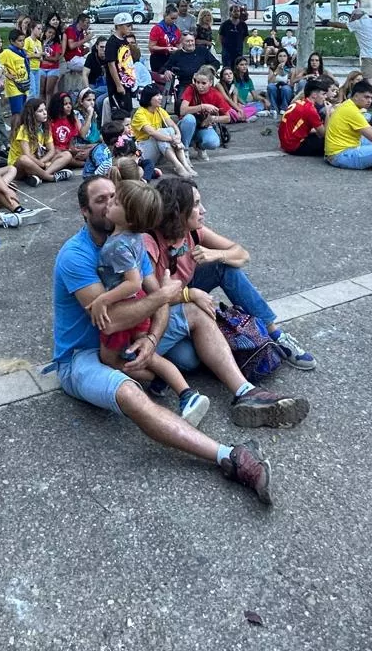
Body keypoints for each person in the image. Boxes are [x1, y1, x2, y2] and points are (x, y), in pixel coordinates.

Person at [50, 176, 307, 505]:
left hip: (134, 336)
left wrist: (154, 336)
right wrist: (168, 297)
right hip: (84, 356)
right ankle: (230, 456)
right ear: (84, 211)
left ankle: (246, 393)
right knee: (130, 392)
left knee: (194, 317)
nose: (110, 203)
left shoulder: (130, 242)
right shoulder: (76, 256)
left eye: (114, 197)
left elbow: (158, 297)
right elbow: (111, 321)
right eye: (101, 200)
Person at [151, 176, 316, 368]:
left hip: (185, 290)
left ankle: (275, 334)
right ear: (178, 212)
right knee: (191, 362)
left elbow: (242, 254)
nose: (203, 210)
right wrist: (190, 295)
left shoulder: (195, 232)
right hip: (161, 309)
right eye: (196, 205)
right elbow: (152, 298)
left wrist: (216, 254)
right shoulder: (151, 242)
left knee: (225, 266)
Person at [87, 178, 211, 421]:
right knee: (147, 354)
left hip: (126, 306)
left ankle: (161, 382)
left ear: (130, 218)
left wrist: (103, 300)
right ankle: (184, 392)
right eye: (110, 198)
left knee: (109, 358)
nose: (109, 203)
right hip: (142, 304)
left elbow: (132, 282)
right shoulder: (135, 237)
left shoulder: (117, 246)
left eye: (116, 201)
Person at [131, 83, 197, 179]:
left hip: (159, 150)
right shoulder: (140, 113)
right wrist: (172, 139)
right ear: (149, 98)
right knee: (161, 132)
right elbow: (152, 133)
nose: (160, 97)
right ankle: (178, 166)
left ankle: (185, 165)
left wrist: (178, 136)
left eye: (160, 94)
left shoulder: (159, 110)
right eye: (157, 95)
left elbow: (172, 124)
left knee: (169, 130)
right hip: (144, 152)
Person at [9, 97, 75, 184]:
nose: (45, 113)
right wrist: (42, 165)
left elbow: (51, 150)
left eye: (45, 110)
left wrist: (41, 162)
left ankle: (40, 176)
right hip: (19, 167)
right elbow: (27, 154)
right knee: (23, 159)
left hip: (37, 162)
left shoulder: (45, 127)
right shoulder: (24, 129)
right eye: (40, 111)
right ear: (32, 114)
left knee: (67, 155)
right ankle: (50, 177)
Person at [177, 67, 231, 159]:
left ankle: (199, 147)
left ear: (210, 83)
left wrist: (213, 119)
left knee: (213, 142)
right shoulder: (191, 89)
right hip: (186, 125)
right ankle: (184, 151)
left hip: (203, 126)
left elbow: (228, 118)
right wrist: (203, 106)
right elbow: (182, 110)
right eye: (197, 82)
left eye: (203, 83)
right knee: (190, 119)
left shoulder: (215, 94)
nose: (199, 86)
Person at [331, 3, 372, 83]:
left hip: (369, 55)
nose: (351, 19)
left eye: (352, 16)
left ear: (356, 15)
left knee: (368, 78)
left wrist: (328, 23)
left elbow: (340, 25)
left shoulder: (359, 23)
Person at [278, 76, 330, 157]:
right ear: (314, 95)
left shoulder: (299, 102)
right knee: (330, 142)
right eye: (323, 94)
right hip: (294, 146)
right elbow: (323, 134)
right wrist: (328, 112)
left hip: (285, 142)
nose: (325, 97)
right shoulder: (310, 109)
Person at [102, 15, 139, 118]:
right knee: (119, 114)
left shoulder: (124, 41)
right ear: (119, 26)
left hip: (127, 82)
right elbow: (111, 64)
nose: (130, 28)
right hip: (117, 84)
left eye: (130, 25)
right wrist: (118, 85)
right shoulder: (112, 42)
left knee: (128, 112)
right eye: (127, 25)